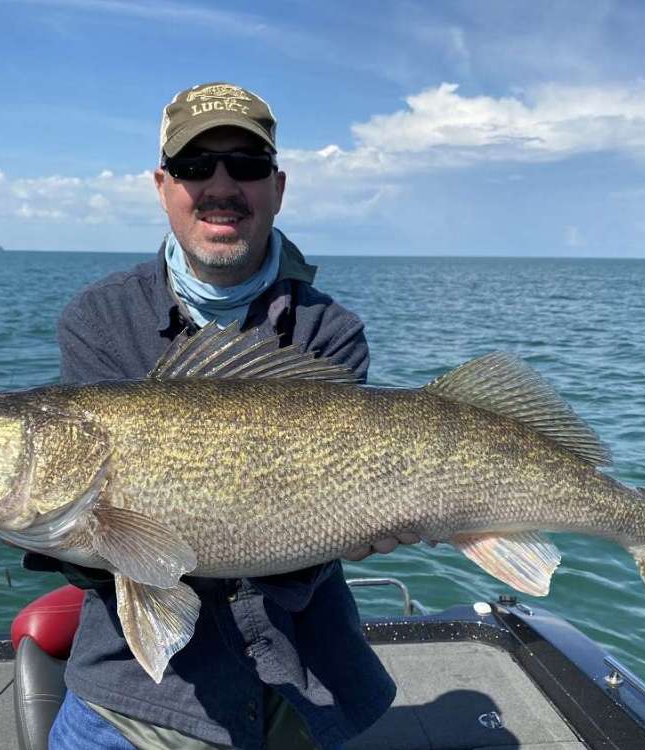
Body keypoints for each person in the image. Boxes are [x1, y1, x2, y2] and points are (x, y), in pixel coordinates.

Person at [40, 82, 405, 750]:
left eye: (246, 165)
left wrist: (366, 522)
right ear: (161, 184)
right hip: (135, 694)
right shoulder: (97, 320)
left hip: (300, 678)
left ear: (278, 185)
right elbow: (103, 556)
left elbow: (302, 546)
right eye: (193, 166)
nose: (220, 184)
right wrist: (51, 525)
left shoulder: (331, 329)